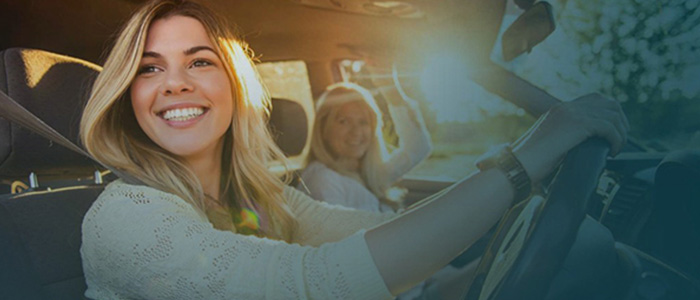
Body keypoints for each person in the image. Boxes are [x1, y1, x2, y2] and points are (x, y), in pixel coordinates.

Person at [78, 0, 629, 299]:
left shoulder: (263, 199)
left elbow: (376, 236)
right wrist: (523, 159)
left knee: (588, 252)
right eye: (150, 69)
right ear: (129, 99)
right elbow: (318, 282)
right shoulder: (127, 217)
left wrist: (476, 265)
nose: (174, 83)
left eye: (199, 61)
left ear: (235, 86)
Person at [298, 79, 431, 213]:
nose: (356, 132)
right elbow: (339, 232)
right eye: (343, 121)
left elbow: (418, 148)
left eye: (363, 122)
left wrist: (390, 89)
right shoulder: (322, 180)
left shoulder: (371, 172)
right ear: (323, 129)